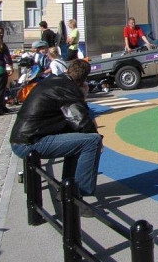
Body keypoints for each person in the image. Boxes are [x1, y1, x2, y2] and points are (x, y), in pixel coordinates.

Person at [9, 59, 103, 205]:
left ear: (68, 70)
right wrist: (82, 97)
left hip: (23, 138)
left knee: (78, 140)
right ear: (84, 79)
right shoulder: (67, 88)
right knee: (92, 141)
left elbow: (75, 122)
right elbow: (81, 121)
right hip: (31, 142)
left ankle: (68, 188)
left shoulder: (52, 81)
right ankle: (77, 195)